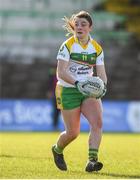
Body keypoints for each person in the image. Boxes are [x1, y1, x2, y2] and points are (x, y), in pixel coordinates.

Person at [52, 10, 107, 172]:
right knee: (73, 132)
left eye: (83, 24)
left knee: (97, 123)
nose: (79, 27)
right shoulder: (67, 46)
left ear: (90, 27)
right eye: (76, 24)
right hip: (68, 89)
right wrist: (77, 83)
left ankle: (92, 161)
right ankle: (57, 149)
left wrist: (103, 87)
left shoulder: (96, 48)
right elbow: (60, 73)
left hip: (87, 90)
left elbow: (102, 74)